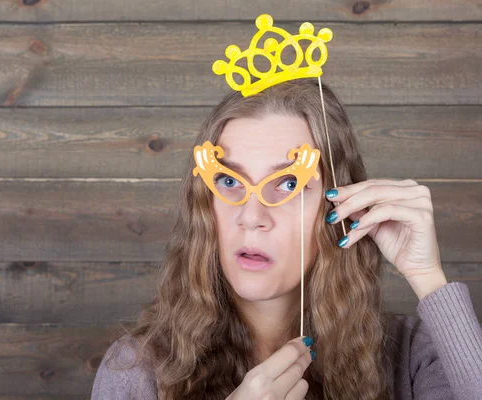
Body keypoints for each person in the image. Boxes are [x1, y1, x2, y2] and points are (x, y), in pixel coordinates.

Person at [90, 79, 482, 399]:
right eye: (229, 181)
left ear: (340, 205)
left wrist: (428, 275)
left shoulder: (414, 357)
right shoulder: (136, 371)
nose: (252, 217)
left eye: (290, 184)